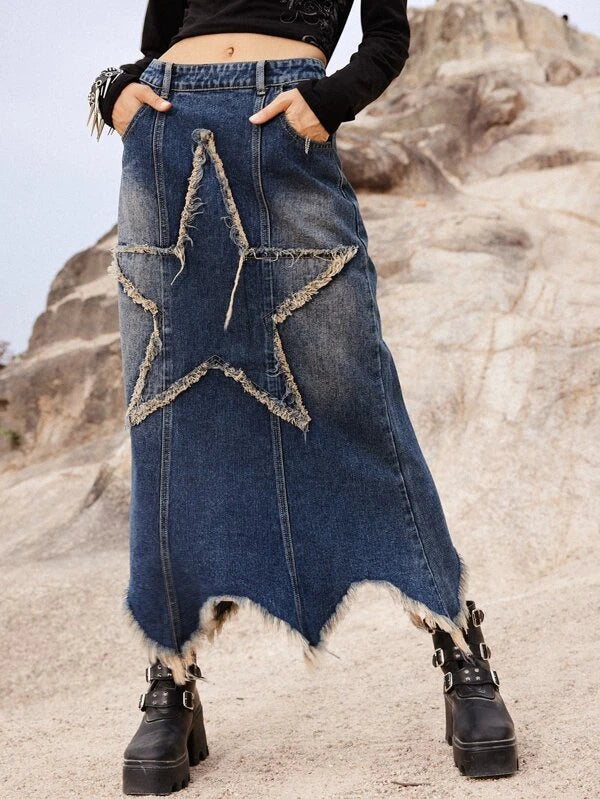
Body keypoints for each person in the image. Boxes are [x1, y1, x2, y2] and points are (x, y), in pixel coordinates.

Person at [87, 1, 518, 794]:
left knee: (355, 391)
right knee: (169, 419)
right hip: (167, 131)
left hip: (286, 125)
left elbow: (387, 37)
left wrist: (328, 101)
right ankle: (170, 672)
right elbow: (157, 39)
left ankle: (459, 645)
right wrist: (115, 91)